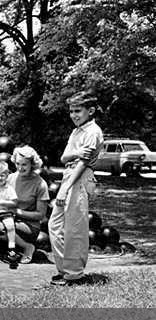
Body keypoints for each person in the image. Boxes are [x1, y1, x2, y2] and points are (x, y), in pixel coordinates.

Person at [48, 91, 104, 285]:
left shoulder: (93, 132)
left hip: (80, 178)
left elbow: (82, 163)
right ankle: (65, 269)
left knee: (75, 228)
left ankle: (74, 274)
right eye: (71, 111)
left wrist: (65, 189)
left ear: (91, 110)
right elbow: (63, 158)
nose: (73, 115)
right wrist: (76, 153)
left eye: (78, 111)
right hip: (68, 175)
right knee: (55, 225)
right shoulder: (76, 131)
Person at [0, 145, 50, 264]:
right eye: (18, 164)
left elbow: (40, 215)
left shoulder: (40, 184)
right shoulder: (9, 178)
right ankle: (14, 249)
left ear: (32, 164)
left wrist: (17, 212)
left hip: (29, 226)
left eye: (24, 164)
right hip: (9, 218)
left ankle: (27, 247)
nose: (20, 168)